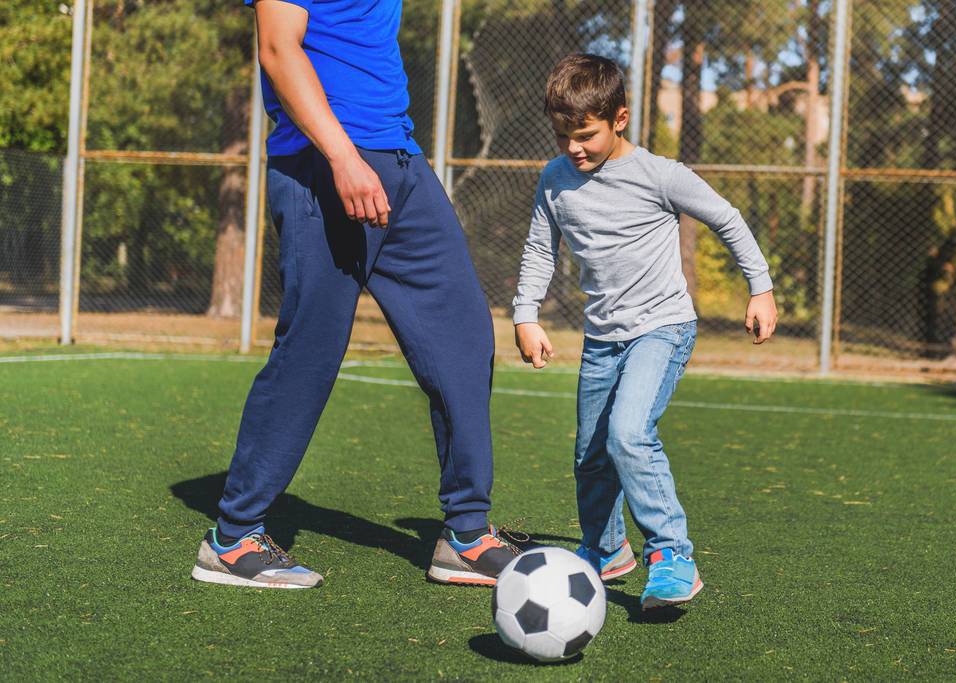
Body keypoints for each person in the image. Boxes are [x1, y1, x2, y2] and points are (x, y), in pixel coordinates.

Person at [190, 0, 518, 589]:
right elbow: (277, 48)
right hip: (324, 163)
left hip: (400, 157)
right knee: (310, 352)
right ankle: (233, 539)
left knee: (464, 335)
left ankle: (467, 534)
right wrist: (342, 156)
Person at [513, 54, 778, 610]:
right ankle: (607, 551)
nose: (573, 148)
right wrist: (526, 315)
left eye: (585, 135)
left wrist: (760, 286)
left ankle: (672, 553)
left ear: (620, 118)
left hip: (662, 327)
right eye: (563, 135)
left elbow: (726, 218)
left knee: (628, 434)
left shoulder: (661, 174)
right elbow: (541, 248)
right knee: (590, 455)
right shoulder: (555, 180)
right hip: (602, 338)